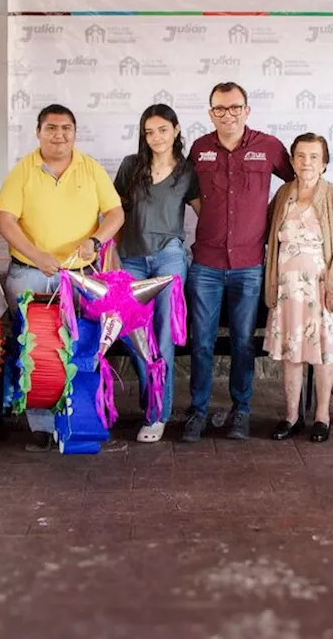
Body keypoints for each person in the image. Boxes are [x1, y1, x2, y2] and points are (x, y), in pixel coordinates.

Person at [0, 104, 124, 451]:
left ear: (74, 132)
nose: (59, 135)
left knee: (83, 346)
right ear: (38, 132)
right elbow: (5, 219)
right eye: (51, 128)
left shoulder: (90, 168)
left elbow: (115, 212)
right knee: (37, 349)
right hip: (31, 274)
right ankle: (40, 425)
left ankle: (80, 417)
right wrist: (38, 256)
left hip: (82, 277)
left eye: (66, 128)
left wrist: (95, 240)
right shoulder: (23, 171)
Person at [183, 82, 295, 442]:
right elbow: (184, 190)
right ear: (210, 112)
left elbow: (297, 184)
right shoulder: (200, 150)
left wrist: (276, 221)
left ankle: (241, 411)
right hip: (206, 264)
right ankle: (197, 411)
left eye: (234, 108)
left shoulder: (268, 148)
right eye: (219, 109)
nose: (227, 115)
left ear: (247, 110)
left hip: (249, 264)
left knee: (244, 342)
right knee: (201, 342)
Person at [262, 133, 333, 443]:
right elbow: (264, 233)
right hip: (287, 291)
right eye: (300, 156)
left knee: (323, 356)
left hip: (322, 290)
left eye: (314, 156)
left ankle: (322, 417)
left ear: (325, 163)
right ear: (291, 161)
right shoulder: (282, 196)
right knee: (292, 356)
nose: (307, 162)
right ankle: (291, 416)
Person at [113, 104, 201, 443]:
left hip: (169, 260)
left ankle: (157, 414)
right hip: (131, 260)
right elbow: (114, 213)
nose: (156, 137)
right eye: (149, 132)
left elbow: (205, 214)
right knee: (136, 336)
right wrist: (111, 256)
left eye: (162, 130)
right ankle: (152, 400)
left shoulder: (187, 172)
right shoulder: (130, 166)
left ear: (176, 130)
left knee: (163, 337)